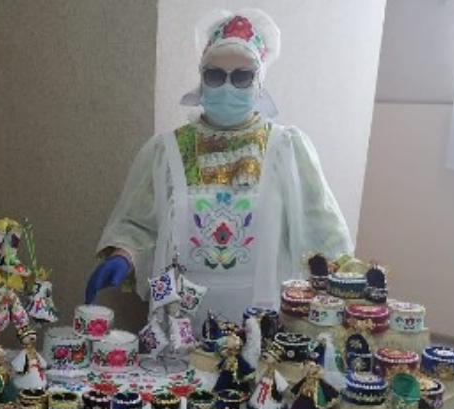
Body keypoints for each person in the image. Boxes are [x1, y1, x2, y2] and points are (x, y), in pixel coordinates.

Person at [85, 9, 352, 323]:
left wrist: (342, 292)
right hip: (179, 321)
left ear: (259, 82)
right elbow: (140, 224)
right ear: (201, 79)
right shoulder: (167, 152)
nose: (227, 87)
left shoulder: (287, 151)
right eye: (215, 75)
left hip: (263, 323)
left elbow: (322, 232)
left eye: (242, 77)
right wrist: (124, 255)